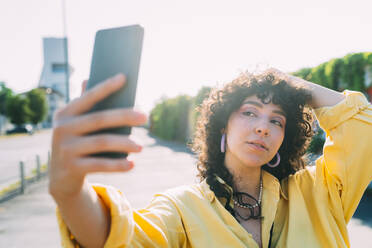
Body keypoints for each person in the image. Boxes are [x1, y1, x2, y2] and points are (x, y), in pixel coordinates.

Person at [49, 69, 372, 248]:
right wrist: (69, 192)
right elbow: (119, 238)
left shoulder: (319, 193)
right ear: (223, 125)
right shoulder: (183, 208)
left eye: (277, 120)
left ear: (284, 140)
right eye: (249, 112)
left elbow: (363, 130)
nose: (263, 127)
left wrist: (292, 84)